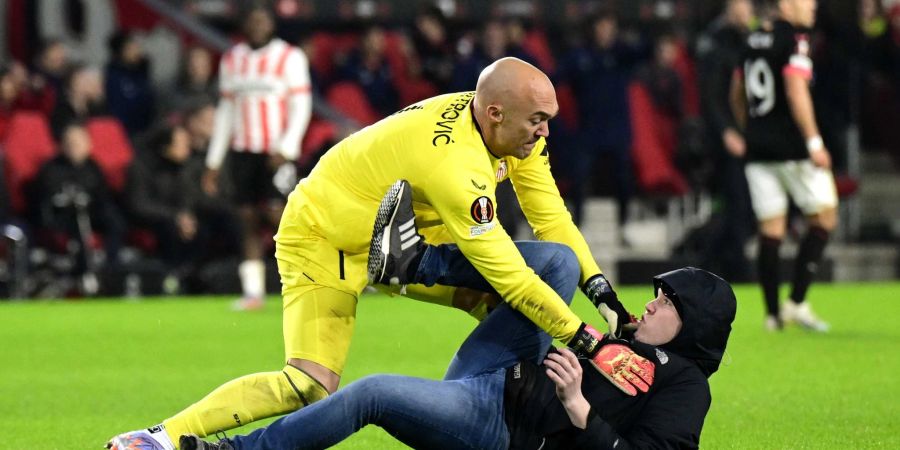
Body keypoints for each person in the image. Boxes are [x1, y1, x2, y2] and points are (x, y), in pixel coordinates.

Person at [106, 57, 635, 450]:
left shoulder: (509, 129)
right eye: (537, 121)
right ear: (495, 113)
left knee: (551, 273)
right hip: (324, 237)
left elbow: (552, 219)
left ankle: (497, 415)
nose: (545, 133)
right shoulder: (456, 165)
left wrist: (601, 291)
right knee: (309, 385)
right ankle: (161, 438)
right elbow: (513, 275)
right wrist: (589, 340)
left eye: (548, 120)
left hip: (400, 245)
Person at [179, 266, 735, 450]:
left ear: (694, 326)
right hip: (501, 371)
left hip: (502, 424)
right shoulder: (630, 337)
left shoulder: (687, 384)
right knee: (557, 266)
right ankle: (415, 260)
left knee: (372, 393)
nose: (651, 303)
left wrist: (580, 410)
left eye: (665, 302)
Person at [731, 0, 836, 332]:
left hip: (758, 148)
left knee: (771, 230)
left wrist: (751, 129)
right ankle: (797, 302)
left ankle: (773, 315)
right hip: (791, 147)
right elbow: (795, 90)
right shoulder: (795, 39)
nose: (814, 6)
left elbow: (736, 92)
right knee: (825, 215)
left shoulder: (750, 39)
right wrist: (815, 142)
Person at [201, 5, 313, 311]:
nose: (258, 26)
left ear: (271, 24)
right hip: (242, 151)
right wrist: (214, 160)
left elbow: (301, 106)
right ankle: (254, 293)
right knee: (246, 218)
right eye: (252, 20)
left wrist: (288, 147)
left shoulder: (289, 57)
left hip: (275, 152)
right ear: (244, 24)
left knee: (282, 216)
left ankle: (308, 278)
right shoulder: (232, 59)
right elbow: (226, 112)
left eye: (263, 20)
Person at [696, 0, 756, 282]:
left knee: (740, 205)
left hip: (745, 136)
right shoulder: (716, 42)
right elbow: (711, 96)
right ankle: (730, 266)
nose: (747, 12)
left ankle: (709, 265)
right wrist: (725, 132)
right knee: (736, 203)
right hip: (724, 140)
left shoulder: (748, 41)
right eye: (742, 6)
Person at [32, 122, 126, 294]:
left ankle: (112, 270)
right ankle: (82, 275)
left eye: (79, 142)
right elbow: (45, 199)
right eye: (70, 142)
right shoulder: (51, 168)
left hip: (90, 213)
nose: (74, 147)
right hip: (64, 218)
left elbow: (103, 197)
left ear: (88, 144)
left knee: (114, 221)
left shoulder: (93, 167)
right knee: (78, 230)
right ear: (62, 145)